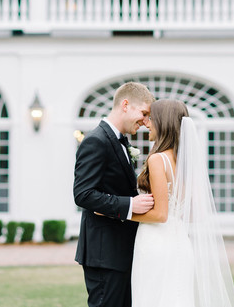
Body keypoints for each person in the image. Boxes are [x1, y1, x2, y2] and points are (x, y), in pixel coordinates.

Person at [130, 99, 234, 307]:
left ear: (162, 122)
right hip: (180, 242)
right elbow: (194, 213)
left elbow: (160, 215)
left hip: (156, 244)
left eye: (151, 118)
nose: (147, 123)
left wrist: (121, 212)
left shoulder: (157, 160)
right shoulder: (184, 161)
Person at [74, 82, 156, 307]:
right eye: (144, 113)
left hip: (119, 251)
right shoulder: (96, 141)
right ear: (126, 105)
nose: (146, 122)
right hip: (104, 254)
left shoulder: (120, 142)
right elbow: (83, 194)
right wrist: (130, 205)